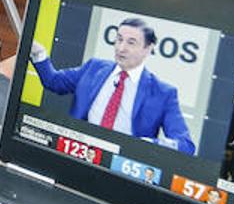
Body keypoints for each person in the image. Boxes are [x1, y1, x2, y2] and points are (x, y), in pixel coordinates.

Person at [27, 18, 196, 155]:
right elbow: (54, 81)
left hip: (122, 163)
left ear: (148, 49)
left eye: (131, 42)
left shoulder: (163, 93)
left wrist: (147, 144)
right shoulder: (94, 68)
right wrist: (37, 52)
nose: (121, 48)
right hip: (78, 152)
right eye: (119, 39)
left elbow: (185, 145)